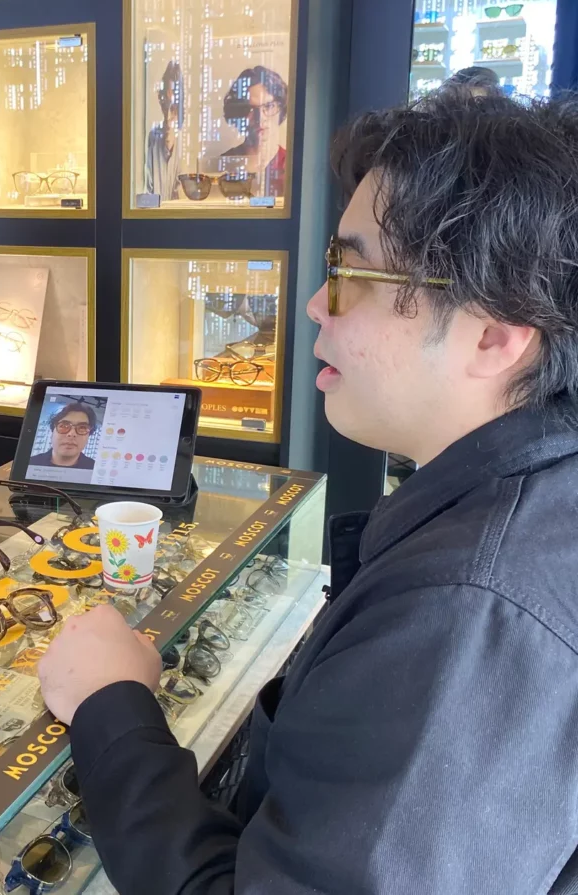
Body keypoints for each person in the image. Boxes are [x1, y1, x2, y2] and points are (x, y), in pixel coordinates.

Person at [39, 91, 578, 893]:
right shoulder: (523, 506)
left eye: (351, 272)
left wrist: (110, 703)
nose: (318, 303)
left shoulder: (467, 615)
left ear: (494, 335)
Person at [221, 65, 287, 198]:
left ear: (280, 108)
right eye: (250, 109)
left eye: (269, 106)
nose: (260, 118)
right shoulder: (223, 164)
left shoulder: (291, 165)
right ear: (238, 113)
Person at [145, 61, 183, 200]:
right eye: (165, 105)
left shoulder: (186, 146)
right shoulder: (152, 139)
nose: (168, 116)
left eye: (172, 107)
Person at [29, 402, 97, 470]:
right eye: (64, 426)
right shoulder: (30, 463)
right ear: (52, 432)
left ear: (89, 435)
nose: (71, 434)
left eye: (82, 428)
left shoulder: (96, 469)